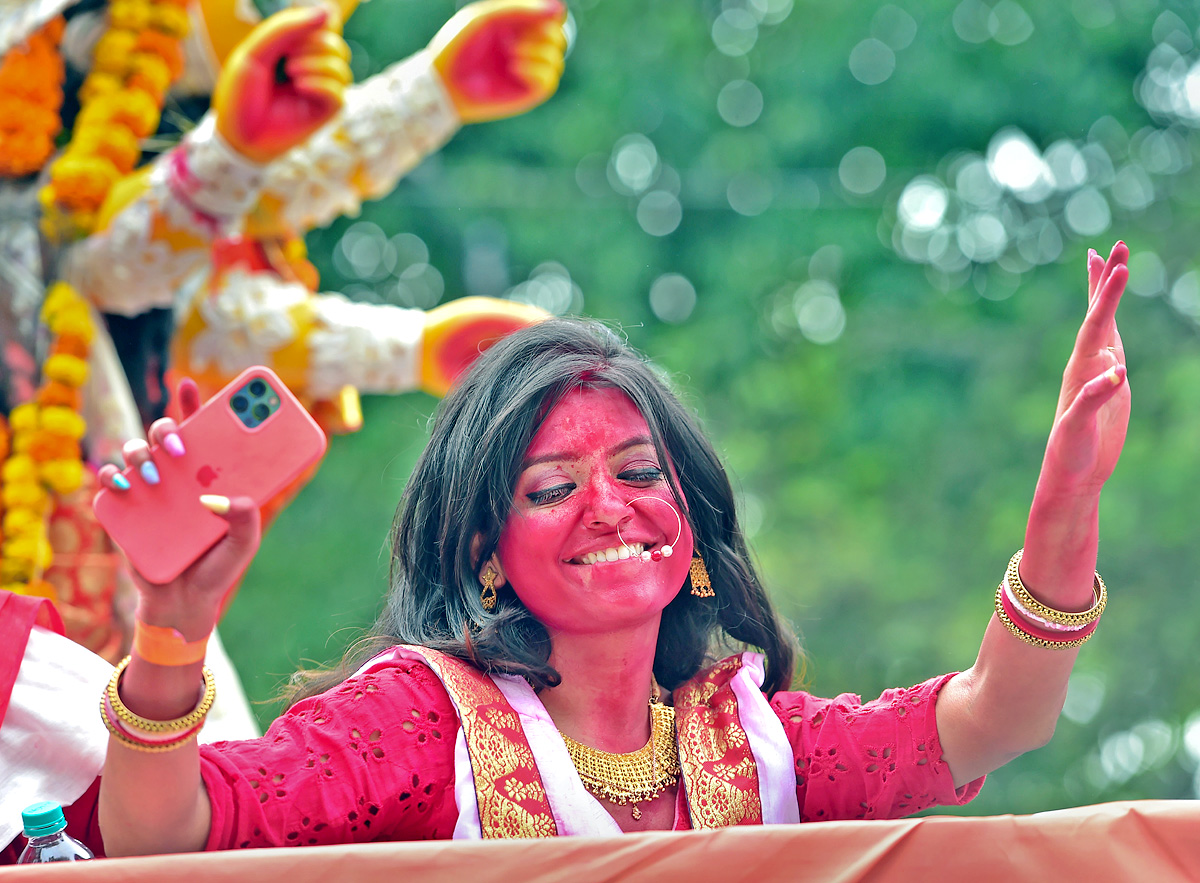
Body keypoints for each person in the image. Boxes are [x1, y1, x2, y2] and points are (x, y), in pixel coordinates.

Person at [89, 240, 1129, 852]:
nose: (610, 507)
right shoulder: (418, 728)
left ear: (693, 527)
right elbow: (162, 838)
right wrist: (173, 632)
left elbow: (1001, 715)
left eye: (639, 474)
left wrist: (1068, 498)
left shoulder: (761, 750)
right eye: (552, 488)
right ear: (486, 552)